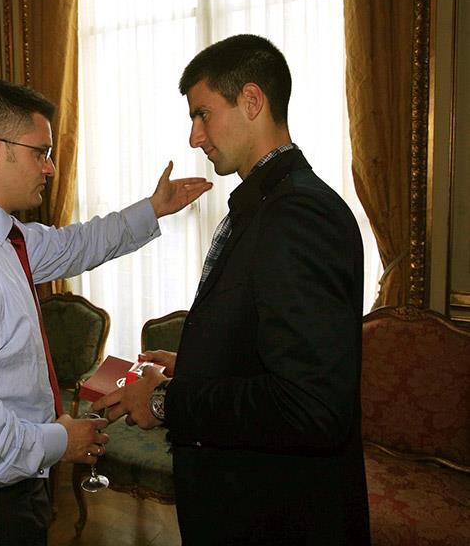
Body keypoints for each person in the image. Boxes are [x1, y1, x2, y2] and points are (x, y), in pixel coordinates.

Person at [0, 79, 212, 546]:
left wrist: (153, 209)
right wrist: (62, 440)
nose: (50, 166)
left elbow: (73, 245)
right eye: (40, 152)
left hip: (9, 481)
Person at [94, 34, 371, 545]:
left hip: (276, 519)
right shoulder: (268, 202)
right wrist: (197, 365)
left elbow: (310, 406)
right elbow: (273, 346)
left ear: (251, 100)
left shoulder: (299, 215)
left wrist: (164, 401)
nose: (194, 137)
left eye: (202, 114)